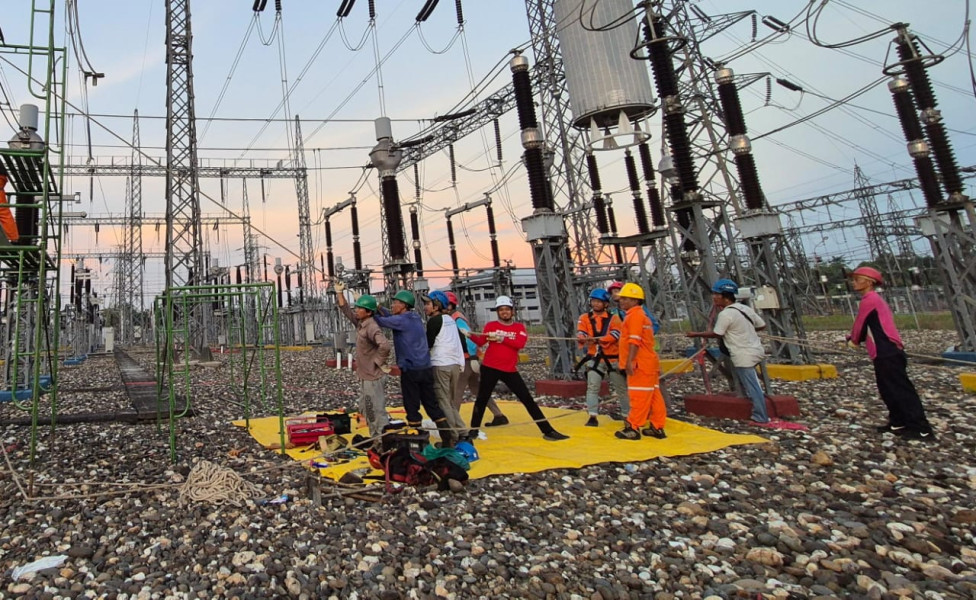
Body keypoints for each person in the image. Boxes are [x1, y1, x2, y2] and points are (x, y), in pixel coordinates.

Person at [465, 296, 569, 442]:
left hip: (509, 369)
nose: (504, 312)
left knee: (527, 399)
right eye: (501, 310)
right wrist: (469, 335)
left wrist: (502, 339)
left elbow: (520, 344)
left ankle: (548, 431)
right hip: (490, 367)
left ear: (512, 311)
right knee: (481, 399)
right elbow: (481, 341)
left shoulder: (519, 327)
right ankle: (473, 431)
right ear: (497, 312)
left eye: (507, 309)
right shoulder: (490, 326)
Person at [847, 265, 934, 441]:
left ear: (869, 282)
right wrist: (852, 338)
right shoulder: (872, 299)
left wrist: (853, 340)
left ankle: (921, 428)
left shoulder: (870, 300)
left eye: (857, 279)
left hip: (887, 351)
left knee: (900, 389)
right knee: (888, 389)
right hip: (883, 352)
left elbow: (860, 325)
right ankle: (899, 421)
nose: (853, 282)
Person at [373, 290, 455, 448]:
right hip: (425, 368)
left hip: (411, 369)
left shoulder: (402, 321)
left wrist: (370, 309)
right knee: (432, 405)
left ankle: (418, 440)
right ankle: (447, 438)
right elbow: (390, 316)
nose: (393, 304)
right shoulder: (415, 317)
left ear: (403, 305)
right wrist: (379, 306)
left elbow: (381, 321)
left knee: (411, 405)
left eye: (396, 302)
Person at [686, 279, 771, 425]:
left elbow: (717, 333)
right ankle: (756, 410)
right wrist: (744, 331)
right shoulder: (745, 309)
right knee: (751, 383)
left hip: (742, 353)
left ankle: (761, 416)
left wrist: (695, 334)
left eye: (716, 294)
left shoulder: (726, 314)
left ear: (725, 296)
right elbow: (762, 325)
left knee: (753, 385)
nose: (714, 297)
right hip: (755, 349)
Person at [333, 281, 392, 437]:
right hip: (365, 376)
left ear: (369, 312)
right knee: (367, 408)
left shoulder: (372, 326)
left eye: (359, 308)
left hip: (373, 378)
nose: (356, 310)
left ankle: (382, 440)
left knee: (376, 410)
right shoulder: (361, 324)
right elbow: (346, 311)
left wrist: (377, 362)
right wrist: (339, 293)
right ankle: (376, 438)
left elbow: (385, 345)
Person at [446, 291, 509, 426]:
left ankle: (453, 423)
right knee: (477, 389)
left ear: (449, 306)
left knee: (457, 390)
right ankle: (498, 415)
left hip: (467, 360)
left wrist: (472, 356)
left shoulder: (456, 319)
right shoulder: (455, 318)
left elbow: (468, 338)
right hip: (471, 359)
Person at [614, 283, 667, 440]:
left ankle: (633, 427)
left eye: (625, 298)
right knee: (654, 396)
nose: (621, 301)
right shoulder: (639, 315)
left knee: (639, 396)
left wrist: (629, 362)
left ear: (635, 300)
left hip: (640, 364)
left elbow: (634, 341)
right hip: (649, 363)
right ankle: (657, 426)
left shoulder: (635, 316)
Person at [575, 288, 628, 427]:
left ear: (605, 304)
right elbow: (581, 332)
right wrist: (582, 338)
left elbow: (616, 334)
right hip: (595, 358)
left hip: (613, 358)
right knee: (592, 387)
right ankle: (592, 416)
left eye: (599, 302)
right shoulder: (584, 318)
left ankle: (627, 416)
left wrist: (598, 340)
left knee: (621, 389)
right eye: (594, 301)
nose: (596, 304)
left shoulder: (614, 318)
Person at [424, 290, 469, 446]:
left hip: (440, 365)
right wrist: (462, 363)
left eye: (428, 304)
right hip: (454, 365)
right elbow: (460, 342)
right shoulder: (450, 319)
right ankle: (463, 431)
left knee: (443, 402)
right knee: (449, 401)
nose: (425, 307)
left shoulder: (434, 322)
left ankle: (452, 436)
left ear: (436, 306)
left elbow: (427, 345)